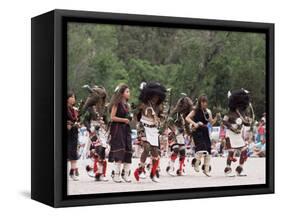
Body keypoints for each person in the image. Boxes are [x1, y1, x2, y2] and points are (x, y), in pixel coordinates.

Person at [134, 82, 167, 182]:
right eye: (154, 96)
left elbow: (161, 117)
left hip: (153, 129)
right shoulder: (143, 104)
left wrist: (161, 119)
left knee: (155, 152)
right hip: (143, 127)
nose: (156, 98)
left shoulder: (159, 106)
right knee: (147, 147)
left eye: (158, 96)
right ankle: (141, 169)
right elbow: (135, 113)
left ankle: (153, 173)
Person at [222, 89, 254, 176]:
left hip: (238, 135)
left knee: (244, 151)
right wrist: (232, 127)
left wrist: (249, 122)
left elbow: (246, 124)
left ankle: (239, 169)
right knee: (231, 152)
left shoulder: (242, 113)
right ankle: (227, 170)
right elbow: (224, 122)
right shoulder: (230, 112)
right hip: (230, 134)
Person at [186, 95, 219, 177]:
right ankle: (196, 163)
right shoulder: (195, 110)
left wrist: (216, 118)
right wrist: (195, 123)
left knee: (208, 150)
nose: (204, 103)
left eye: (205, 102)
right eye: (202, 102)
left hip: (205, 130)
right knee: (202, 148)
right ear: (200, 102)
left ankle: (206, 169)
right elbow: (187, 118)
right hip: (197, 131)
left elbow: (211, 123)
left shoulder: (208, 111)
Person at [108, 84, 133, 183]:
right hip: (117, 129)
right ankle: (116, 174)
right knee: (120, 151)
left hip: (126, 129)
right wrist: (124, 120)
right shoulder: (116, 103)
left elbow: (128, 118)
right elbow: (112, 117)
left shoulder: (128, 105)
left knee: (128, 150)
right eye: (127, 91)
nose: (129, 93)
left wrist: (129, 119)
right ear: (122, 93)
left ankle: (125, 174)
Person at [166, 96, 193, 176]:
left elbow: (187, 126)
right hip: (173, 132)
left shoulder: (185, 115)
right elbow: (169, 122)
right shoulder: (175, 113)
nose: (185, 109)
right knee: (176, 149)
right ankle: (171, 168)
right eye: (185, 107)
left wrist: (190, 133)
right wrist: (175, 130)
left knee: (182, 151)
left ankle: (180, 169)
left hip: (180, 134)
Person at [67, 90, 80, 181]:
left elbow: (76, 120)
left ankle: (73, 171)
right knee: (70, 152)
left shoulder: (74, 109)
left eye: (74, 97)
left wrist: (77, 124)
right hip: (68, 133)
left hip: (74, 132)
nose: (73, 99)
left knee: (73, 152)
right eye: (71, 97)